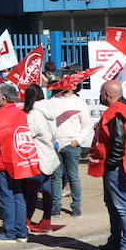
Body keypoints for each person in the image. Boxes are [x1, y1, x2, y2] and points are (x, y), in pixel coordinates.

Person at [88, 79, 126, 250]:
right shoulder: (123, 109)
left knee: (122, 205)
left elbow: (119, 141)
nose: (99, 97)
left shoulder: (116, 112)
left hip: (116, 165)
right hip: (116, 164)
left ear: (107, 95)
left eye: (101, 93)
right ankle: (115, 241)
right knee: (112, 204)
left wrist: (111, 164)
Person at [0, 84, 38, 242]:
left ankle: (10, 232)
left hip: (1, 160)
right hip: (17, 159)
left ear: (3, 98)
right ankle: (20, 231)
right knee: (18, 195)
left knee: (6, 197)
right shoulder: (21, 113)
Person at [49, 82, 91, 217]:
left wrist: (77, 141)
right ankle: (56, 205)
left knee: (73, 177)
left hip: (71, 145)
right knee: (56, 177)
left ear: (74, 87)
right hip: (56, 145)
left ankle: (76, 206)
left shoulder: (80, 103)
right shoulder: (53, 101)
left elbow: (86, 125)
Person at [24, 85, 60, 233]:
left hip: (38, 155)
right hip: (49, 153)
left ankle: (26, 221)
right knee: (46, 190)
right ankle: (46, 220)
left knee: (31, 192)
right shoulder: (50, 110)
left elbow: (30, 132)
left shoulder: (34, 113)